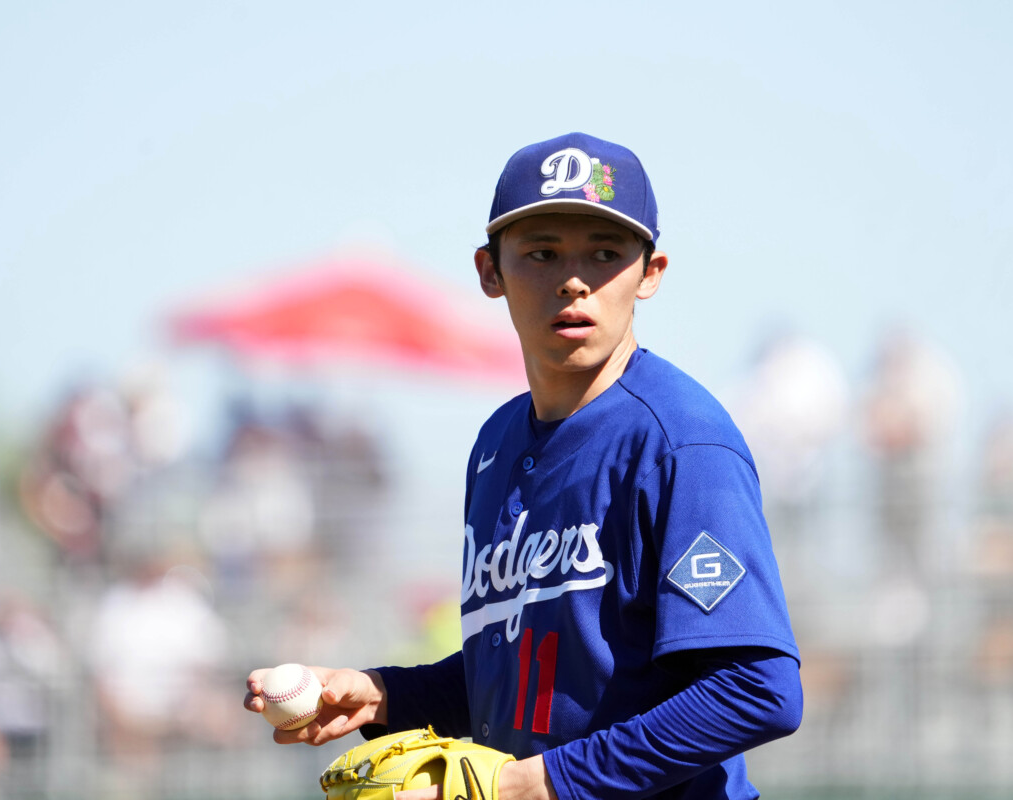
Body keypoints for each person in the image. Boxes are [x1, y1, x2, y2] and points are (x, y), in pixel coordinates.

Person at [245, 132, 803, 800]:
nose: (574, 279)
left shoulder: (680, 442)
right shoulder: (495, 444)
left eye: (605, 253)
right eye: (542, 253)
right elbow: (523, 675)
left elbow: (758, 688)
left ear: (650, 273)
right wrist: (385, 693)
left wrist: (539, 784)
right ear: (490, 271)